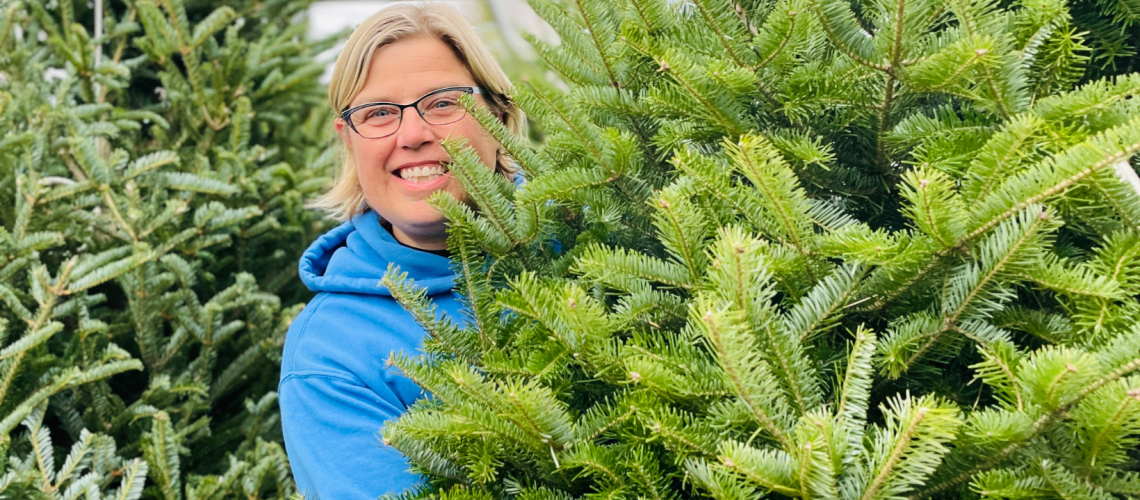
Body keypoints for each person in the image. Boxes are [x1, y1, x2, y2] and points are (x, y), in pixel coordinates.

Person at [278, 4, 524, 498]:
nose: (412, 135)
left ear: (497, 115)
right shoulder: (329, 356)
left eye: (442, 103)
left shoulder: (593, 234)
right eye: (378, 114)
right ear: (349, 142)